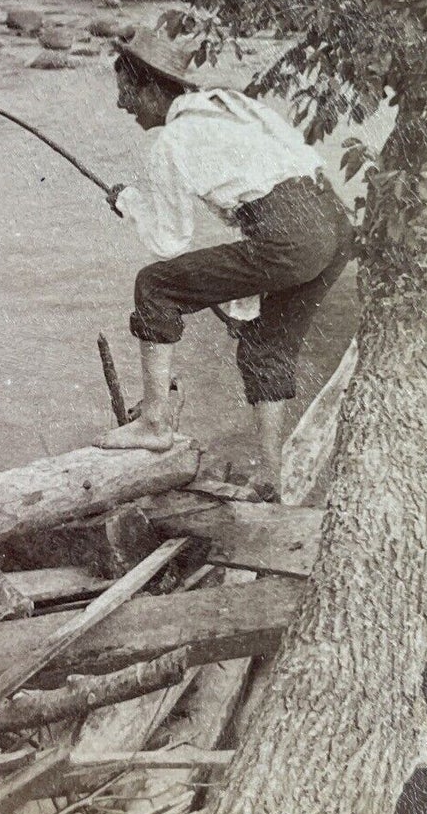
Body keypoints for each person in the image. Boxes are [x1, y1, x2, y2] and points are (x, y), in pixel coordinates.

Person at [98, 29, 354, 501]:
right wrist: (242, 298)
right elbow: (271, 188)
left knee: (154, 286)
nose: (123, 107)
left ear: (154, 88)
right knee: (264, 346)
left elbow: (169, 241)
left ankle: (154, 422)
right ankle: (270, 480)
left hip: (290, 233)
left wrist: (129, 203)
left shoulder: (172, 142)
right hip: (335, 224)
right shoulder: (231, 106)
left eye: (127, 94)